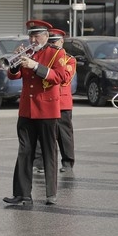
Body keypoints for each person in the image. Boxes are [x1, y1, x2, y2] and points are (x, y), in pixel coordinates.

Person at [3, 20, 67, 206]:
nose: (33, 39)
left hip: (47, 109)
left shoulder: (56, 53)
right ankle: (22, 194)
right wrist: (15, 64)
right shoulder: (28, 52)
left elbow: (60, 77)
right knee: (24, 151)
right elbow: (14, 75)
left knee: (49, 152)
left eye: (36, 35)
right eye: (31, 35)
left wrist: (35, 66)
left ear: (46, 37)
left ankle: (51, 193)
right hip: (26, 109)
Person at [33, 28, 77, 174]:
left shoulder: (69, 59)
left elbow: (64, 79)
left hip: (62, 102)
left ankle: (67, 162)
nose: (52, 45)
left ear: (62, 41)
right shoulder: (43, 56)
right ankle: (39, 162)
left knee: (64, 134)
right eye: (50, 42)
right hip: (47, 101)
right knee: (41, 134)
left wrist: (47, 72)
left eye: (55, 42)